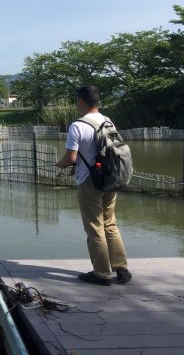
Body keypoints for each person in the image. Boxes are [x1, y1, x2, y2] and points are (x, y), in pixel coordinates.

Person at [56, 85, 132, 286]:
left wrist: (60, 163)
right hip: (110, 178)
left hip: (90, 181)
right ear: (97, 102)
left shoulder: (77, 125)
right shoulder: (108, 121)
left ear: (81, 102)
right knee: (110, 223)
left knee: (95, 227)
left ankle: (101, 274)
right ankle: (121, 268)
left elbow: (71, 158)